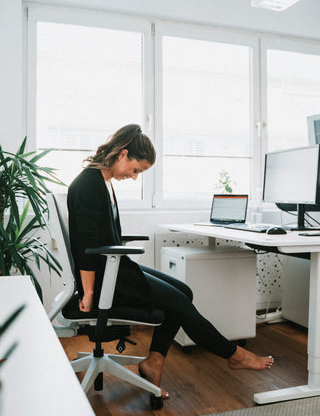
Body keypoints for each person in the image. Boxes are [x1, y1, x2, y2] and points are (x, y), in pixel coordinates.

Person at [67, 124, 274, 400]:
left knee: (184, 292)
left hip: (116, 270)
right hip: (107, 279)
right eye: (136, 169)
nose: (134, 176)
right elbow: (85, 248)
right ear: (123, 154)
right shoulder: (88, 186)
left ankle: (154, 362)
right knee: (180, 303)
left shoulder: (101, 181)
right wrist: (89, 293)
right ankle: (234, 355)